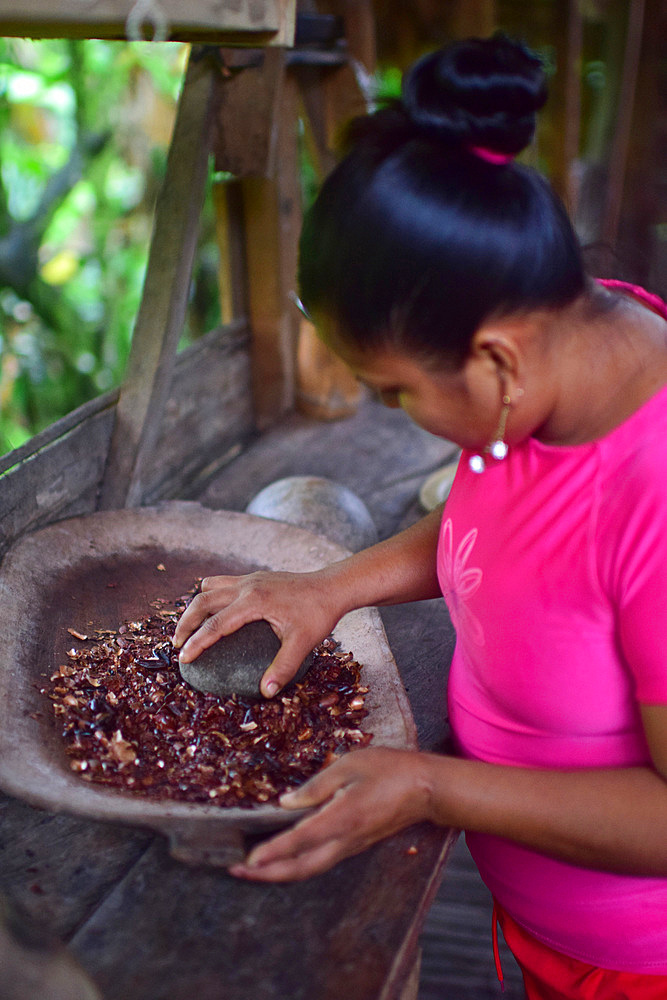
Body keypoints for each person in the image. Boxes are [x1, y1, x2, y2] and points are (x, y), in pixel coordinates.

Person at [173, 35, 667, 999]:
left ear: (496, 360)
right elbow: (503, 531)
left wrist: (431, 784)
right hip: (540, 931)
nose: (391, 413)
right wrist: (329, 589)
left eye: (394, 392)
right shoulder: (569, 346)